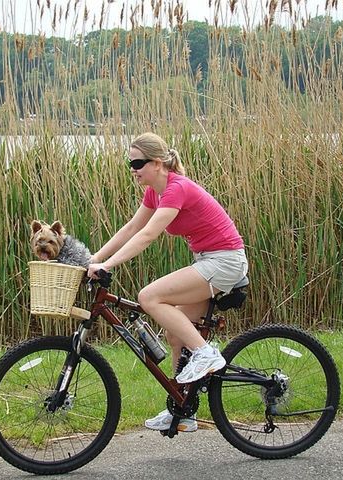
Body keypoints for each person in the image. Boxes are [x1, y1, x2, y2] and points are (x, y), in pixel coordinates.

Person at [87, 132, 248, 432]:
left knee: (149, 297)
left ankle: (206, 354)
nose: (133, 169)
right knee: (175, 332)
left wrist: (108, 266)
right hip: (208, 261)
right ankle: (182, 410)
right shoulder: (155, 192)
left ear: (158, 163)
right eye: (129, 163)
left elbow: (148, 235)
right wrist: (94, 258)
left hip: (225, 261)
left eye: (138, 162)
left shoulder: (177, 188)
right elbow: (133, 226)